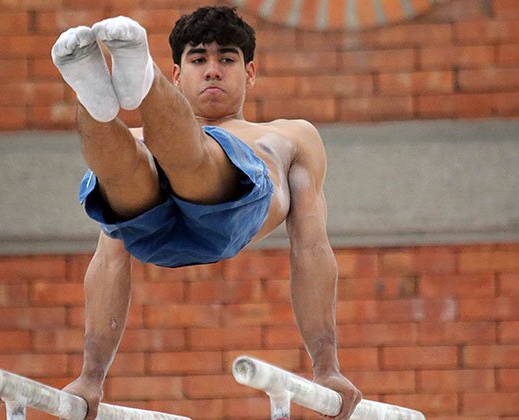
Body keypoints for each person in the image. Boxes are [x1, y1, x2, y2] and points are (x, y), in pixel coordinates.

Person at [51, 6, 362, 419]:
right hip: (150, 230)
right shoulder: (139, 143)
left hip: (231, 210)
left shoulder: (291, 135)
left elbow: (311, 249)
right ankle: (92, 94)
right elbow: (109, 258)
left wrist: (327, 368)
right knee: (124, 167)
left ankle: (135, 84)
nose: (212, 70)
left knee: (191, 157)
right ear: (178, 75)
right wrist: (90, 376)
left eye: (226, 59)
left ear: (250, 72)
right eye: (198, 59)